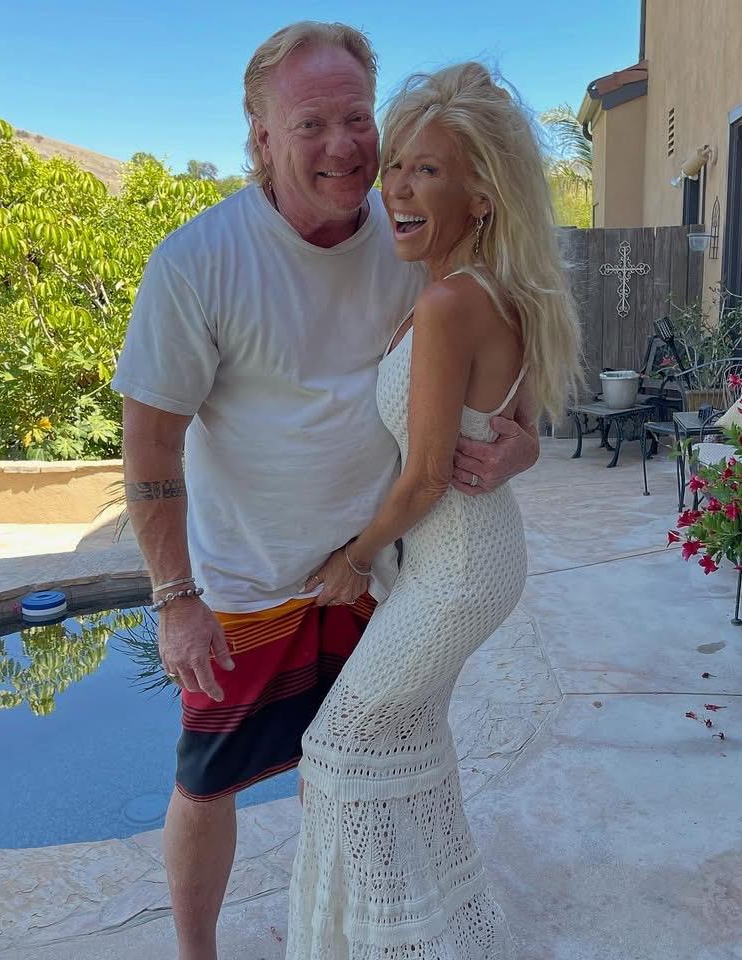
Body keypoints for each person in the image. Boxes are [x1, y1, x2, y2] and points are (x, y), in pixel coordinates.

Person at [111, 22, 540, 960]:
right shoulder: (197, 262)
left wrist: (521, 444)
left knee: (350, 764)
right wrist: (175, 598)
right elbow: (149, 443)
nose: (344, 146)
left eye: (357, 119)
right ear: (262, 135)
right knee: (208, 782)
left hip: (377, 573)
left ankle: (343, 931)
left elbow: (497, 356)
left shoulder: (410, 234)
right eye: (311, 124)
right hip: (251, 581)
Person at [284, 62, 582, 958]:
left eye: (428, 171)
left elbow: (423, 479)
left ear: (482, 196)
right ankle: (450, 935)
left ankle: (393, 941)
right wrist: (522, 447)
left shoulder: (454, 301)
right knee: (403, 744)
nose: (398, 189)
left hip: (454, 571)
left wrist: (354, 558)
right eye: (397, 168)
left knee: (339, 752)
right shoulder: (479, 288)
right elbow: (507, 426)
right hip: (466, 560)